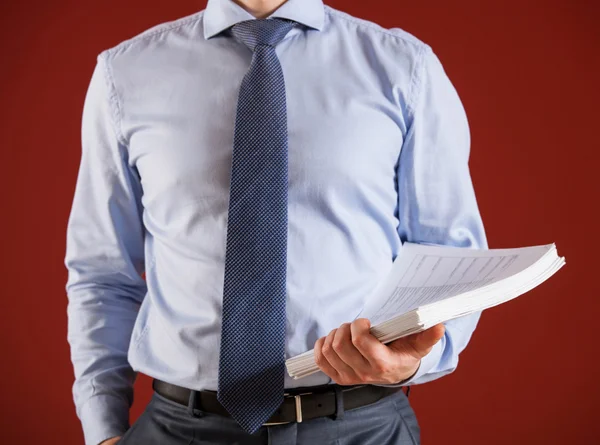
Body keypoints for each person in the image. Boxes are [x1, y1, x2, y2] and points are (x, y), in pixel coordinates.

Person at [64, 0, 487, 444]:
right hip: (180, 429)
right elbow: (101, 273)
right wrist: (103, 430)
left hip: (362, 426)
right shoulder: (127, 73)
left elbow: (452, 257)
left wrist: (418, 360)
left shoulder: (403, 66)